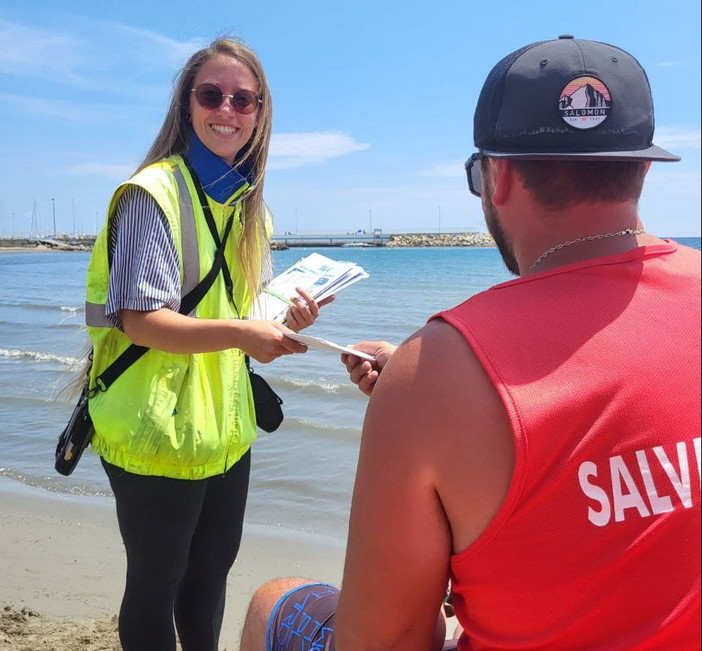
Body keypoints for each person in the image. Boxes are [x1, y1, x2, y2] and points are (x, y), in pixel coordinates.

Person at [239, 36, 701, 650]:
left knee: (275, 601)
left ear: (496, 175)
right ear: (642, 167)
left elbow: (387, 638)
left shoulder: (437, 370)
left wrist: (418, 394)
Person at [84, 37, 333, 651]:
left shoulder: (251, 208)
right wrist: (245, 332)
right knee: (156, 582)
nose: (227, 109)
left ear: (260, 111)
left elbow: (246, 315)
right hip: (152, 432)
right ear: (185, 104)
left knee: (211, 576)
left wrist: (283, 320)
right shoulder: (152, 192)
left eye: (243, 99)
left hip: (224, 431)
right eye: (211, 94)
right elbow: (141, 320)